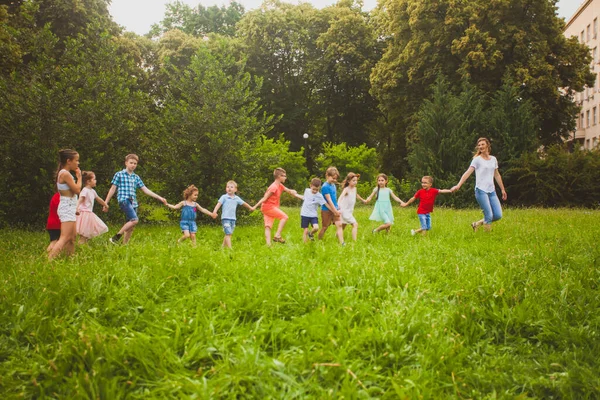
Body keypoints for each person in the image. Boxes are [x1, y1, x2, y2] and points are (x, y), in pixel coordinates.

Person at [104, 154, 167, 244]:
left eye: (135, 163)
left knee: (131, 226)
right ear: (126, 163)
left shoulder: (136, 177)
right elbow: (112, 189)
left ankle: (124, 245)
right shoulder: (119, 174)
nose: (133, 165)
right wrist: (106, 202)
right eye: (131, 163)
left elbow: (145, 190)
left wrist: (159, 197)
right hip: (124, 200)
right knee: (134, 220)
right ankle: (115, 237)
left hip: (133, 203)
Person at [451, 137, 507, 232]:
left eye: (483, 144)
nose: (480, 146)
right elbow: (467, 172)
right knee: (488, 215)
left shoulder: (493, 159)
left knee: (497, 215)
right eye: (479, 145)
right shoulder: (477, 160)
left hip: (491, 190)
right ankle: (487, 239)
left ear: (488, 145)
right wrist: (458, 185)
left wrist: (502, 189)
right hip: (481, 190)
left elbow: (497, 175)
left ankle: (476, 224)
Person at [254, 167, 303, 245]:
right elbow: (265, 198)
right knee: (284, 217)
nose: (286, 178)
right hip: (268, 207)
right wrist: (254, 206)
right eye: (284, 176)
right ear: (279, 176)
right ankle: (277, 235)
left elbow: (289, 191)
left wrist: (302, 196)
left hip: (267, 208)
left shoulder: (280, 185)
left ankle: (268, 245)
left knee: (268, 226)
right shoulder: (273, 187)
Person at [48, 149, 82, 260]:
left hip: (70, 207)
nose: (78, 163)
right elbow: (77, 190)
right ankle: (49, 261)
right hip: (66, 207)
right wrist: (80, 177)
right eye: (76, 160)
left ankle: (70, 260)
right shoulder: (65, 174)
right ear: (68, 161)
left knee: (72, 237)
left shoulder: (66, 173)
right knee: (64, 237)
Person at [212, 180, 255, 248]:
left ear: (235, 189)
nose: (229, 188)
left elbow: (244, 203)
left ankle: (222, 247)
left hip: (233, 218)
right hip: (225, 218)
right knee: (228, 233)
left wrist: (251, 208)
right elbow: (218, 204)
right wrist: (214, 211)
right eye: (227, 187)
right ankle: (230, 249)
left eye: (231, 187)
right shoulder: (224, 197)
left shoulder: (236, 198)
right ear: (226, 189)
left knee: (229, 234)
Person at [75, 171, 109, 244]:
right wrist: (76, 208)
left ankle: (83, 247)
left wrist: (105, 204)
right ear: (88, 181)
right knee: (83, 235)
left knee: (87, 235)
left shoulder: (92, 191)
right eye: (94, 179)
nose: (96, 181)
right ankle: (80, 247)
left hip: (89, 214)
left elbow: (98, 199)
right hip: (84, 214)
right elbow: (80, 200)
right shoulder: (85, 190)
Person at [299, 178, 336, 243]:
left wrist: (334, 211)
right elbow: (304, 198)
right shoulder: (306, 191)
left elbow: (326, 204)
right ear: (310, 186)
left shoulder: (319, 196)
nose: (315, 191)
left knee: (316, 228)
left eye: (317, 190)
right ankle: (305, 245)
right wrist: (294, 194)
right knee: (305, 230)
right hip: (304, 214)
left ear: (319, 188)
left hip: (313, 215)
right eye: (314, 189)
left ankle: (310, 234)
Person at [317, 167, 345, 245]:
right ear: (327, 175)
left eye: (336, 179)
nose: (334, 180)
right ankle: (318, 240)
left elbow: (334, 198)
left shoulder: (333, 185)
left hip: (335, 208)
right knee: (325, 227)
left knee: (339, 224)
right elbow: (329, 200)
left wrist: (337, 206)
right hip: (326, 210)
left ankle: (342, 243)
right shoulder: (325, 187)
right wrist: (335, 211)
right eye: (333, 178)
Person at [338, 172, 368, 241]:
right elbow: (340, 197)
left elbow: (356, 195)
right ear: (348, 181)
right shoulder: (346, 189)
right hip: (344, 210)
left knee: (343, 226)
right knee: (355, 224)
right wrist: (338, 205)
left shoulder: (354, 189)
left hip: (349, 211)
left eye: (356, 181)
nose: (355, 182)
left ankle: (336, 237)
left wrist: (363, 200)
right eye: (353, 181)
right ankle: (355, 241)